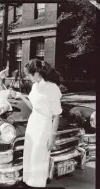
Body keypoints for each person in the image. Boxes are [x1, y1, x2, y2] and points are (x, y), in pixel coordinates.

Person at [17, 59, 62, 187]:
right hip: (33, 123)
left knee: (39, 157)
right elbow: (33, 106)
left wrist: (52, 136)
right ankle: (30, 184)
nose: (27, 77)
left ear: (36, 73)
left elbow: (57, 114)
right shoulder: (34, 86)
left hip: (44, 126)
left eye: (28, 74)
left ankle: (37, 185)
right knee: (30, 155)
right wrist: (21, 96)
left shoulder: (52, 88)